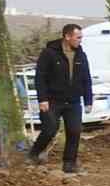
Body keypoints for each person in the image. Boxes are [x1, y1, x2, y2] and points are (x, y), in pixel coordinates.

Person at [30, 24, 93, 174]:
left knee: (74, 131)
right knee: (50, 129)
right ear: (67, 36)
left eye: (81, 37)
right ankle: (34, 153)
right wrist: (42, 99)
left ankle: (69, 163)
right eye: (78, 37)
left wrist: (88, 100)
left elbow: (86, 78)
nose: (80, 40)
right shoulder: (49, 53)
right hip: (52, 100)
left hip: (73, 101)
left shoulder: (81, 55)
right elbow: (40, 77)